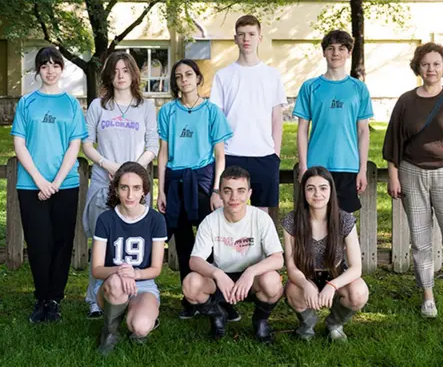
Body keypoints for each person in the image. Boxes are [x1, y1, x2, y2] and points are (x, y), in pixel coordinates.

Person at [382, 42, 443, 325]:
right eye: (426, 64)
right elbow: (393, 143)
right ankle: (428, 296)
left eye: (436, 64)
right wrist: (393, 175)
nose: (431, 69)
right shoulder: (405, 101)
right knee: (421, 240)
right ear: (418, 67)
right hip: (412, 174)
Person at [12, 46, 88, 323]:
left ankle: (55, 299)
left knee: (61, 243)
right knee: (38, 242)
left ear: (62, 69)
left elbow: (74, 145)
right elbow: (19, 144)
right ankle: (41, 297)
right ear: (38, 71)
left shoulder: (70, 104)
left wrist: (55, 182)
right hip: (31, 185)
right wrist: (40, 180)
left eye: (55, 65)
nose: (50, 70)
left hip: (65, 185)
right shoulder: (26, 103)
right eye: (44, 66)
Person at [82, 52, 159, 318]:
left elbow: (153, 146)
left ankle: (137, 290)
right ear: (108, 75)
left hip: (135, 186)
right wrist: (108, 165)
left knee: (134, 240)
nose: (120, 75)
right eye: (115, 71)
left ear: (133, 74)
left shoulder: (146, 106)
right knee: (101, 239)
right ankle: (95, 298)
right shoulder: (98, 106)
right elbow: (86, 144)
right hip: (104, 181)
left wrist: (132, 173)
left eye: (125, 70)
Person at [157, 59, 233, 319]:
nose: (184, 79)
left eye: (189, 74)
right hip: (175, 181)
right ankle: (190, 298)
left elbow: (220, 155)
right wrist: (161, 190)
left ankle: (220, 297)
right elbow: (163, 152)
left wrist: (216, 191)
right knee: (184, 244)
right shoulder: (167, 112)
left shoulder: (212, 111)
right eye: (178, 76)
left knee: (211, 243)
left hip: (201, 181)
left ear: (198, 78)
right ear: (175, 82)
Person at [182, 166, 284, 343]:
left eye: (240, 191)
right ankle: (218, 315)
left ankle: (260, 321)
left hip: (253, 280)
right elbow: (195, 261)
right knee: (191, 284)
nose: (234, 197)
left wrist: (251, 272)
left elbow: (277, 258)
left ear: (249, 193)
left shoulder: (261, 218)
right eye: (227, 191)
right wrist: (218, 274)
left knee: (273, 281)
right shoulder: (211, 220)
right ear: (220, 193)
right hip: (222, 280)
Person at [209, 14, 287, 215]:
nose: (246, 39)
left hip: (264, 155)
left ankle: (260, 249)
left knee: (262, 215)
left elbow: (277, 119)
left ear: (260, 38)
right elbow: (217, 121)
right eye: (241, 35)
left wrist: (275, 155)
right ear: (235, 39)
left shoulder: (272, 75)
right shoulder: (223, 76)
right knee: (231, 212)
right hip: (231, 154)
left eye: (251, 34)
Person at [282, 167, 370, 342]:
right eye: (310, 188)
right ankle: (307, 324)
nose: (317, 194)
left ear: (331, 191)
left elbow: (356, 268)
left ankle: (334, 323)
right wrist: (305, 284)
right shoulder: (292, 220)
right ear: (304, 192)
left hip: (336, 274)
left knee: (359, 293)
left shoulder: (344, 220)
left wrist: (332, 285)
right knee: (292, 291)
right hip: (305, 276)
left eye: (323, 188)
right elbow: (291, 267)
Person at [293, 30, 373, 213]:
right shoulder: (310, 87)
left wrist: (362, 169)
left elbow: (363, 131)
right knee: (316, 221)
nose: (336, 53)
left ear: (349, 53)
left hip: (348, 165)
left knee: (344, 223)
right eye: (331, 48)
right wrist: (304, 166)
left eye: (341, 48)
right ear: (324, 52)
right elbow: (302, 130)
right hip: (317, 165)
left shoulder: (359, 88)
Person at [91, 162, 167, 355]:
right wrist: (121, 272)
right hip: (111, 286)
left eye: (136, 188)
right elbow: (97, 269)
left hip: (143, 284)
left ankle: (140, 316)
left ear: (145, 191)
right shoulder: (106, 219)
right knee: (117, 283)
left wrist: (135, 273)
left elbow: (156, 269)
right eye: (124, 188)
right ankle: (110, 333)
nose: (130, 195)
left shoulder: (156, 220)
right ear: (116, 190)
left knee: (140, 327)